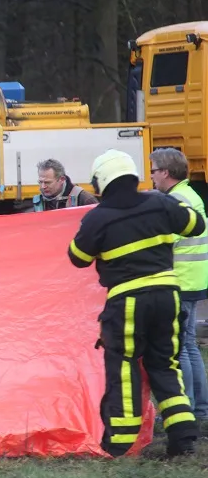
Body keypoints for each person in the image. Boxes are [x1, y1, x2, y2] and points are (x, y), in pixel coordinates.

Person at [67, 149, 204, 458]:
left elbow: (77, 257)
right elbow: (195, 225)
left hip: (126, 301)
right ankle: (183, 435)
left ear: (102, 182)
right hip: (167, 295)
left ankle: (120, 441)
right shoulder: (160, 202)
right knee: (164, 363)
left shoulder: (98, 217)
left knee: (124, 365)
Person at [149, 147, 208, 433]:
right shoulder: (192, 194)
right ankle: (200, 409)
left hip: (179, 281)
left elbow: (163, 239)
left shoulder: (175, 201)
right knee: (190, 347)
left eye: (154, 171)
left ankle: (184, 408)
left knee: (179, 350)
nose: (150, 177)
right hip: (195, 280)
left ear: (166, 173)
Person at [33, 159, 99, 211]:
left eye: (48, 182)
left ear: (62, 179)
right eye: (40, 182)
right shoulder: (36, 204)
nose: (43, 186)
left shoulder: (85, 200)